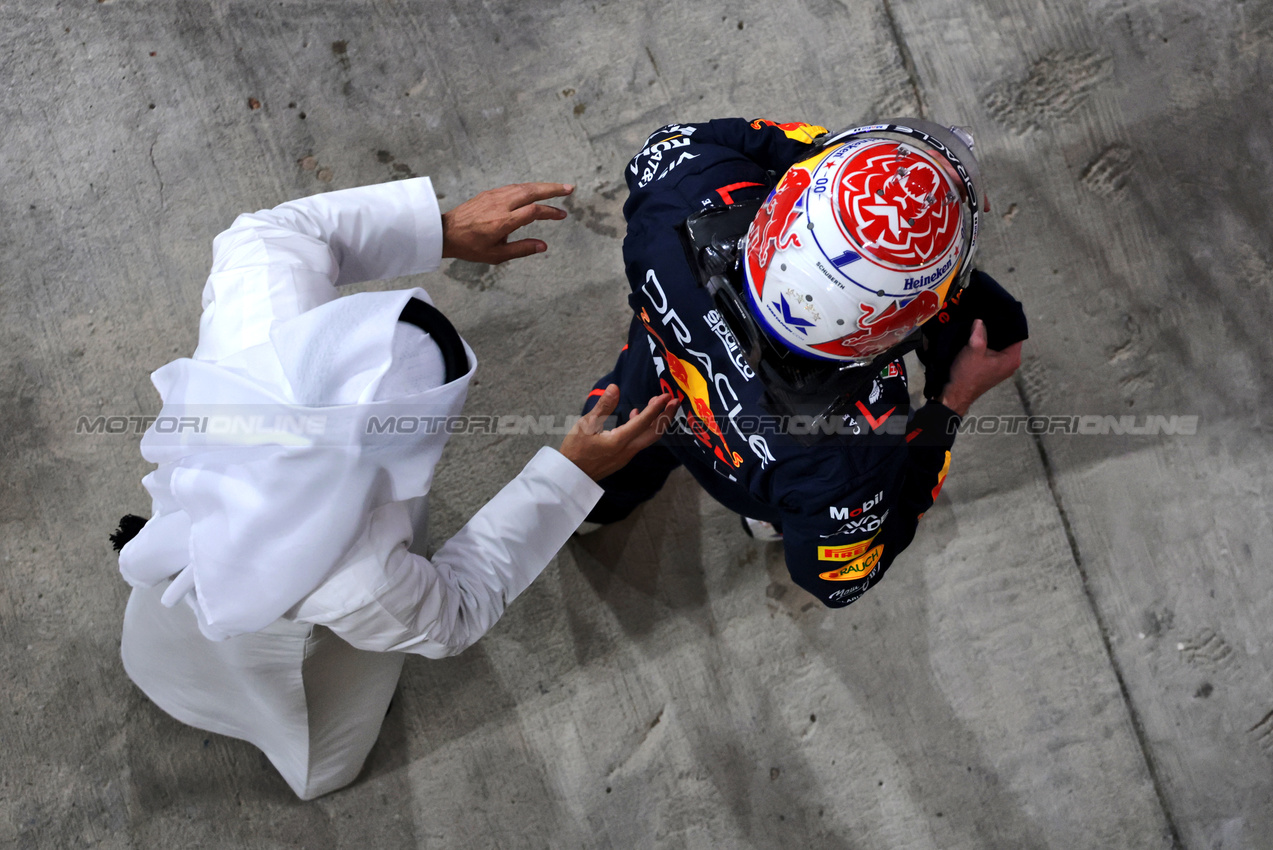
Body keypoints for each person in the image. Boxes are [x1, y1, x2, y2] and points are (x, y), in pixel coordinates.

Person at [112, 177, 676, 800]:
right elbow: (457, 610)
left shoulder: (260, 334)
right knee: (310, 723)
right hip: (285, 651)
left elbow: (270, 231)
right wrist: (571, 474)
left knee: (169, 645)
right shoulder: (364, 578)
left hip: (174, 565)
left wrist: (443, 229)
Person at [581, 117, 1027, 608]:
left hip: (649, 385)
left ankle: (586, 504)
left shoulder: (678, 189)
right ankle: (771, 519)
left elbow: (680, 142)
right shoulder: (852, 459)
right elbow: (839, 580)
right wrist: (952, 401)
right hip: (761, 474)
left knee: (607, 457)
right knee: (799, 502)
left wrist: (854, 167)